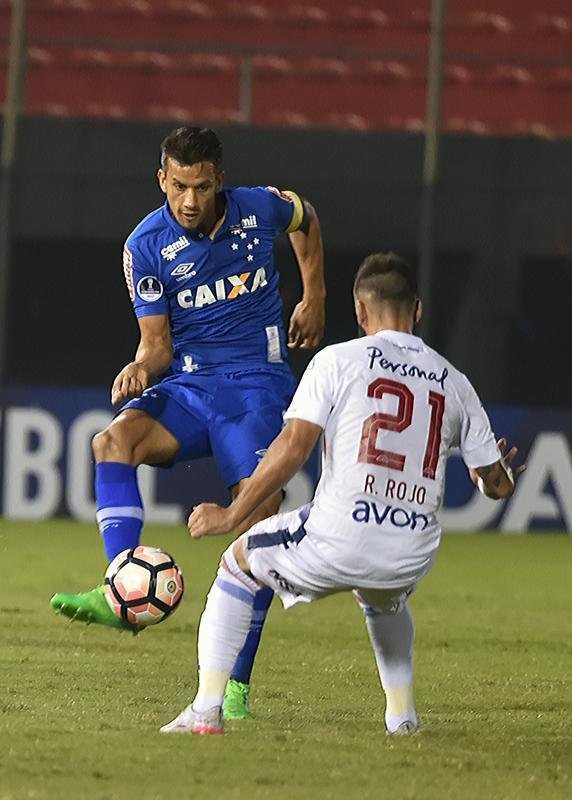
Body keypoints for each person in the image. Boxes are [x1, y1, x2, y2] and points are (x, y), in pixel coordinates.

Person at [159, 252, 525, 736]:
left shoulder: (337, 360)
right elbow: (497, 485)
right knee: (383, 598)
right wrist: (490, 476)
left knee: (238, 563)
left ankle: (206, 710)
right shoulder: (453, 381)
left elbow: (291, 448)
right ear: (417, 310)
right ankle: (403, 719)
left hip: (341, 534)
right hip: (410, 552)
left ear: (358, 311)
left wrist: (232, 514)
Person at [50, 126, 325, 720]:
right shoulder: (144, 246)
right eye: (179, 187)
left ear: (218, 180)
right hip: (193, 384)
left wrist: (315, 295)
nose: (191, 200)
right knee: (112, 441)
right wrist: (138, 367)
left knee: (255, 528)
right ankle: (120, 586)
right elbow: (157, 346)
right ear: (162, 180)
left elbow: (306, 219)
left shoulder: (260, 207)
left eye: (201, 186)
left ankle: (235, 690)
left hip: (257, 386)